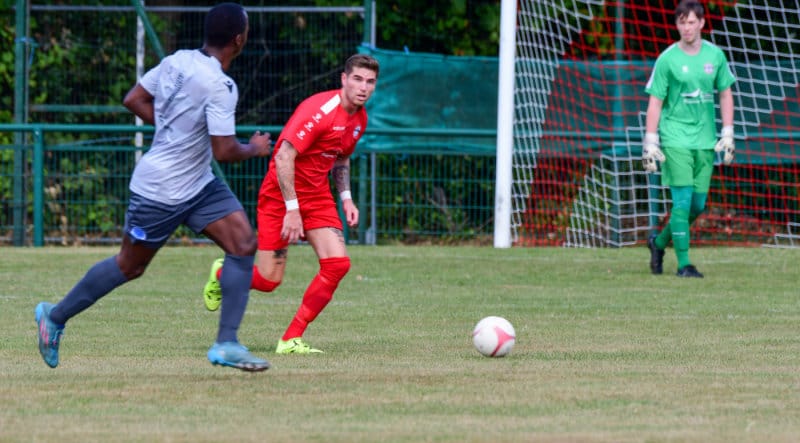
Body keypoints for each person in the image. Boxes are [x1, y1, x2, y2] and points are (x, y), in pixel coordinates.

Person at [35, 3, 273, 371]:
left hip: (198, 185)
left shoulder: (177, 60)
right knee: (129, 266)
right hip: (160, 190)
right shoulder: (221, 86)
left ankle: (227, 343)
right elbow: (225, 151)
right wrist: (254, 148)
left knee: (243, 244)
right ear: (239, 40)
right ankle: (54, 316)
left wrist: (174, 131)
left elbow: (134, 98)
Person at [202, 54, 380, 354]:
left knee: (338, 264)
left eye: (370, 81)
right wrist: (292, 209)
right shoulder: (320, 110)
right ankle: (222, 273)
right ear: (344, 79)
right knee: (268, 280)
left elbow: (341, 159)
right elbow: (284, 156)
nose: (363, 87)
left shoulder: (359, 119)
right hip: (279, 197)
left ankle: (290, 339)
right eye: (358, 79)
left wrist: (347, 198)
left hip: (318, 197)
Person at [642, 0, 736, 278]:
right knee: (682, 203)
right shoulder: (667, 59)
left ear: (702, 23)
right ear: (677, 25)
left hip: (705, 140)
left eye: (692, 22)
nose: (687, 27)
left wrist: (728, 132)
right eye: (682, 22)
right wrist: (650, 140)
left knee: (697, 205)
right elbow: (655, 101)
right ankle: (684, 265)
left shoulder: (715, 56)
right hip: (675, 139)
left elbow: (725, 94)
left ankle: (659, 243)